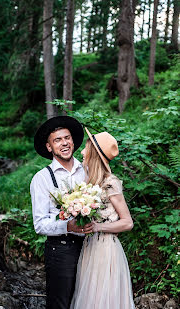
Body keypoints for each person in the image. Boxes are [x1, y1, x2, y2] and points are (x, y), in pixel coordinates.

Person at [30, 116, 92, 309]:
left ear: (73, 141)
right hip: (61, 250)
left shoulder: (88, 170)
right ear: (49, 147)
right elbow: (40, 224)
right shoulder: (41, 179)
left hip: (92, 248)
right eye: (57, 140)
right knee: (60, 304)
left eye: (67, 138)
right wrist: (67, 225)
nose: (64, 143)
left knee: (88, 302)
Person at [70, 127, 136, 309]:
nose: (82, 151)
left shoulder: (110, 183)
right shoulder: (88, 183)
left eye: (86, 147)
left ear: (94, 154)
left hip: (107, 250)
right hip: (90, 248)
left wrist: (98, 227)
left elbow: (127, 222)